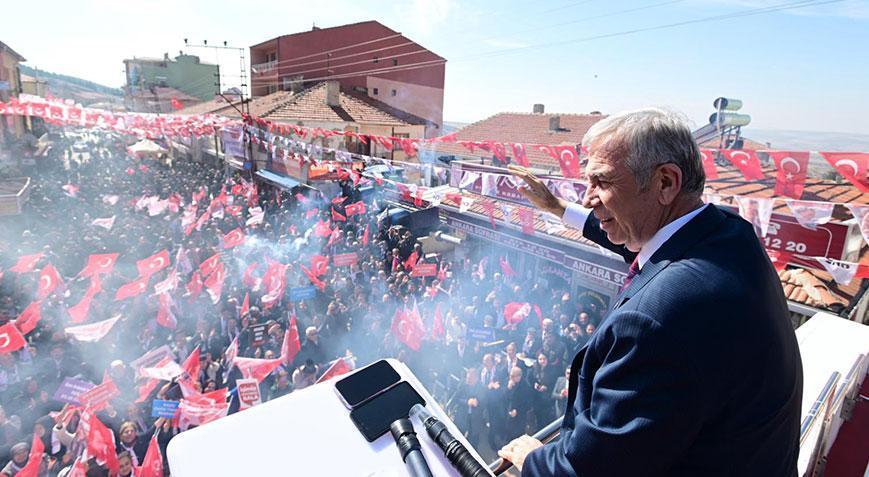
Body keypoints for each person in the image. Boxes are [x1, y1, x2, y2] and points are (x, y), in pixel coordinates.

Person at [500, 108, 802, 476]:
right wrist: (557, 207)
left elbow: (591, 471)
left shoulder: (654, 322)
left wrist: (532, 460)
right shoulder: (727, 234)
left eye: (602, 182)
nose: (589, 198)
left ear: (665, 182)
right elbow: (650, 248)